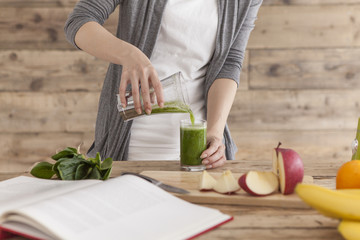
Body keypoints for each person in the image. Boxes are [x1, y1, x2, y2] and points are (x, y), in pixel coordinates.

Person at [64, 0, 262, 169]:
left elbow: (229, 61)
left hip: (198, 153)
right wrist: (129, 55)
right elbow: (80, 21)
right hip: (131, 148)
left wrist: (215, 132)